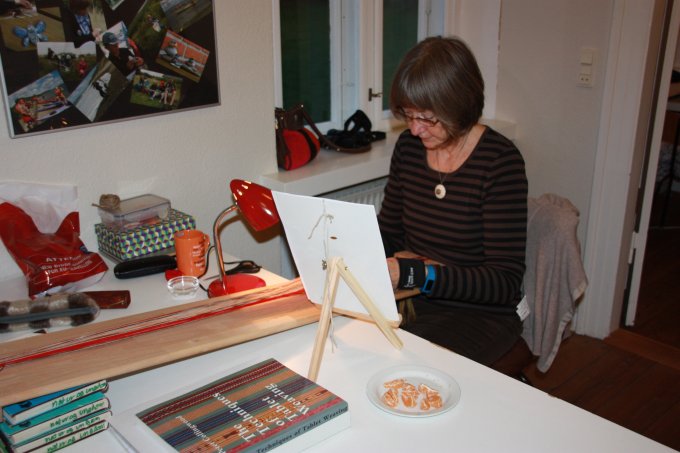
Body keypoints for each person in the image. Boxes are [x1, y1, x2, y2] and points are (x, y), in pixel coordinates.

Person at [378, 36, 528, 366]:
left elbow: (503, 282)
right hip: (412, 300)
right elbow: (389, 234)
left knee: (400, 367)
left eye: (427, 117)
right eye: (408, 115)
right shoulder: (408, 148)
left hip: (479, 314)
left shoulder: (499, 162)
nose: (415, 130)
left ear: (458, 105)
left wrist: (416, 274)